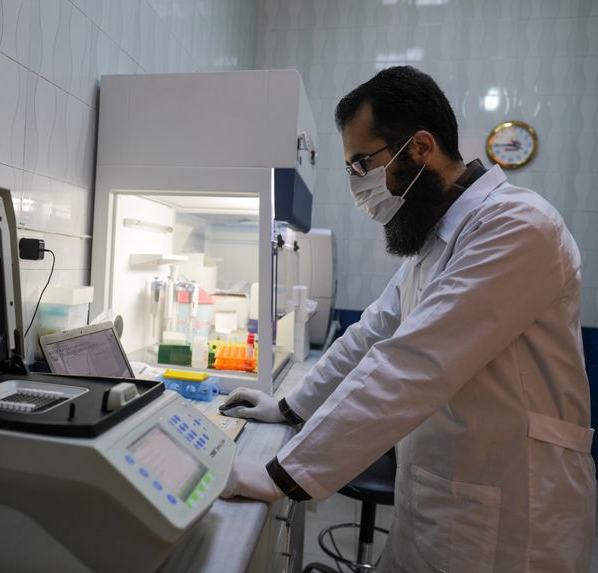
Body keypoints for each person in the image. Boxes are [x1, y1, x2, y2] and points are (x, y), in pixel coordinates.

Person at [220, 66, 595, 573]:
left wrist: (281, 475)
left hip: (514, 515)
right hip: (441, 500)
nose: (358, 185)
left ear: (420, 148)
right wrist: (289, 406)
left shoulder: (518, 226)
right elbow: (372, 334)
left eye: (362, 165)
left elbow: (415, 363)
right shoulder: (438, 242)